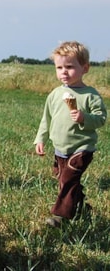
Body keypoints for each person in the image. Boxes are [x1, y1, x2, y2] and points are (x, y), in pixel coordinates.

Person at [34, 41, 107, 227]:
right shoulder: (55, 94)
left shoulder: (90, 95)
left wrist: (84, 117)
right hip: (60, 148)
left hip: (82, 147)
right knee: (65, 182)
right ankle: (81, 207)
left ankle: (60, 217)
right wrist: (40, 139)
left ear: (85, 68)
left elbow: (101, 118)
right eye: (59, 67)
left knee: (68, 179)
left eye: (69, 67)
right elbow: (46, 119)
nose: (63, 72)